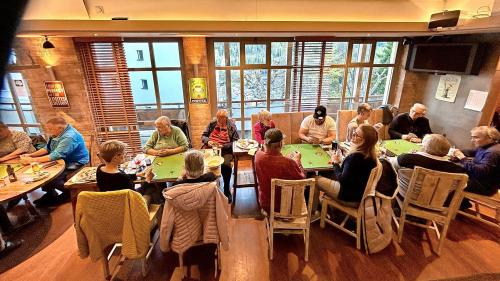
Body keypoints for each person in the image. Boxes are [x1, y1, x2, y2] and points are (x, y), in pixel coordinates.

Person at [20, 117, 89, 206]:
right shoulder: (57, 133)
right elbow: (47, 148)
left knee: (52, 177)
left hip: (76, 161)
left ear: (60, 128)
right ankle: (50, 193)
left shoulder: (69, 137)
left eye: (51, 129)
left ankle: (68, 194)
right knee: (42, 173)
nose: (48, 131)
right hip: (63, 159)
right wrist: (31, 155)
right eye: (48, 128)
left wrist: (31, 161)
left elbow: (55, 155)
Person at [315, 124, 378, 207]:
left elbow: (343, 180)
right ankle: (328, 208)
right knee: (327, 174)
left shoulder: (355, 157)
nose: (353, 135)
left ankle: (314, 212)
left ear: (363, 141)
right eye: (354, 132)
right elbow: (353, 172)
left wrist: (335, 163)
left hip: (349, 197)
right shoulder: (372, 156)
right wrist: (342, 161)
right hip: (360, 195)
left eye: (356, 135)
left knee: (314, 180)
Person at [254, 129, 305, 214]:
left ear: (265, 143)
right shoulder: (288, 163)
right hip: (286, 207)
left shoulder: (258, 156)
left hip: (266, 205)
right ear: (281, 144)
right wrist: (297, 161)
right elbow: (301, 180)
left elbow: (272, 160)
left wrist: (284, 158)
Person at [96, 140, 160, 203]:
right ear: (115, 158)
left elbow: (117, 178)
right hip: (128, 206)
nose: (125, 155)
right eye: (123, 153)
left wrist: (137, 175)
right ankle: (157, 208)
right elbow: (135, 197)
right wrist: (148, 180)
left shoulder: (100, 169)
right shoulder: (122, 177)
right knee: (151, 187)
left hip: (110, 204)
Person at [201, 109, 239, 202]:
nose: (219, 120)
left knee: (226, 165)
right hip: (211, 148)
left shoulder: (232, 126)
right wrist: (208, 141)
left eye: (222, 118)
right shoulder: (212, 124)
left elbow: (236, 141)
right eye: (218, 118)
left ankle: (226, 189)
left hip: (225, 150)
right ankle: (207, 189)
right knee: (204, 164)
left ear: (226, 118)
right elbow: (203, 136)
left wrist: (224, 146)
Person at [451, 126, 500, 196]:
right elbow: (471, 151)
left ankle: (459, 204)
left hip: (484, 187)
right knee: (452, 171)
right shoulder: (486, 146)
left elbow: (480, 172)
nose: (472, 140)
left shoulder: (492, 152)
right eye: (472, 137)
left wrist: (462, 158)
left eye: (476, 137)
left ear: (490, 138)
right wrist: (458, 152)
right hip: (477, 180)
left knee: (448, 180)